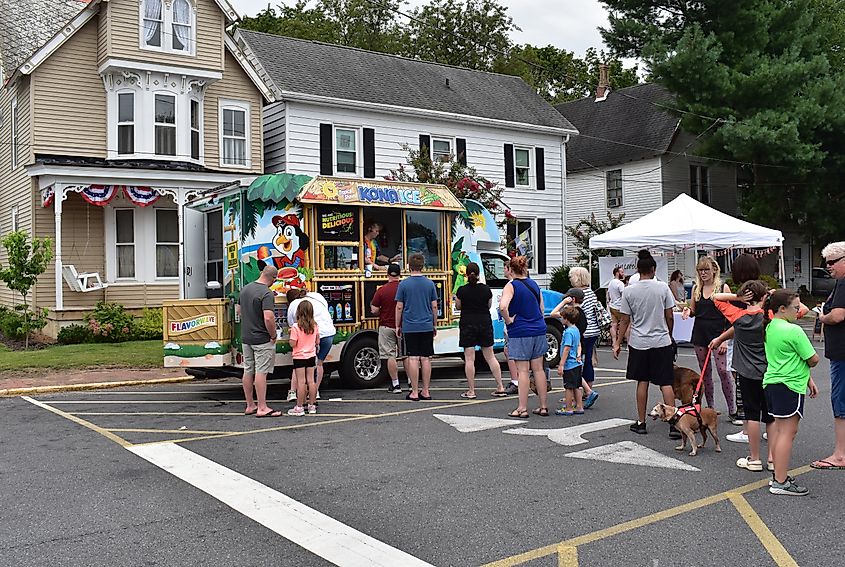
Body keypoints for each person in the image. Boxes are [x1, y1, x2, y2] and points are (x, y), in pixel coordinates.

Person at [613, 249, 679, 436]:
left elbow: (624, 320)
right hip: (661, 340)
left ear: (637, 269)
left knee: (643, 381)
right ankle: (674, 423)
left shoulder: (629, 291)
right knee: (665, 382)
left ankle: (641, 422)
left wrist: (618, 342)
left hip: (639, 342)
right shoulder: (663, 288)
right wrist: (670, 334)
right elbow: (669, 316)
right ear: (654, 269)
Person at [710, 280, 773, 472]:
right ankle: (772, 458)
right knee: (771, 417)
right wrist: (770, 296)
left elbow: (715, 298)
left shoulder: (738, 316)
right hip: (769, 371)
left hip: (746, 372)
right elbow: (801, 309)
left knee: (752, 415)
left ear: (746, 297)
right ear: (763, 297)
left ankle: (754, 459)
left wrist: (738, 297)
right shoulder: (769, 316)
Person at [763, 289, 819, 495]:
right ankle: (780, 481)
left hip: (773, 383)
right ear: (782, 309)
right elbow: (813, 359)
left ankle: (778, 476)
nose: (798, 311)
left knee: (780, 431)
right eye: (796, 307)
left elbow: (788, 358)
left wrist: (808, 380)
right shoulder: (793, 330)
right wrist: (807, 376)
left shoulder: (770, 327)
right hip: (789, 385)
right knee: (788, 433)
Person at [682, 256, 736, 420]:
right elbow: (693, 310)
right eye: (700, 270)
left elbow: (730, 315)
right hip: (700, 332)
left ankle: (732, 408)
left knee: (723, 371)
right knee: (705, 373)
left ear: (714, 270)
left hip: (718, 332)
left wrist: (725, 339)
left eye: (706, 269)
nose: (703, 273)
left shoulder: (722, 288)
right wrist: (687, 312)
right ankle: (710, 407)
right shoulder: (697, 288)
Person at [498, 255, 548, 418]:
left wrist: (509, 320)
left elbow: (503, 306)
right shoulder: (534, 285)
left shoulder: (511, 286)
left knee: (523, 371)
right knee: (539, 369)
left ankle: (522, 407)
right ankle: (543, 406)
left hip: (520, 331)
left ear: (511, 270)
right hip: (538, 329)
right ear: (525, 268)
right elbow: (541, 308)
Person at [812, 241, 845, 470]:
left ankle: (840, 455)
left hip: (842, 354)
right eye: (827, 263)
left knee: (840, 402)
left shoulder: (843, 284)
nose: (828, 267)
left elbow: (838, 315)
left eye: (832, 262)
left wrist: (823, 316)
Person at [456, 262, 507, 398]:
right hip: (484, 322)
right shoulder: (486, 289)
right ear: (479, 274)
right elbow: (489, 305)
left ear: (466, 274)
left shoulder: (462, 290)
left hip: (467, 323)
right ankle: (500, 386)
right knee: (490, 357)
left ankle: (471, 391)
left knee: (469, 359)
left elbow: (458, 306)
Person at [238, 265, 281, 418]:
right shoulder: (266, 293)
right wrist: (273, 334)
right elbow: (268, 317)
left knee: (248, 370)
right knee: (261, 372)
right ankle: (262, 407)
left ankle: (250, 405)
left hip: (246, 337)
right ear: (273, 279)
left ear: (262, 273)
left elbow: (239, 311)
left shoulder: (245, 289)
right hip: (261, 338)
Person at [396, 253, 438, 401]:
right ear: (422, 266)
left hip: (410, 325)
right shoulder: (429, 284)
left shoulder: (403, 284)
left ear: (408, 266)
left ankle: (414, 391)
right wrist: (434, 323)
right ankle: (426, 391)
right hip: (426, 324)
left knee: (413, 358)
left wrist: (397, 325)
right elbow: (434, 306)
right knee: (426, 358)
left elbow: (399, 307)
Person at [286, 288, 336, 402]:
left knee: (298, 367)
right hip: (328, 332)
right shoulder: (316, 296)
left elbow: (292, 324)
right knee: (319, 364)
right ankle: (315, 392)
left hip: (307, 340)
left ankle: (293, 393)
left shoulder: (294, 304)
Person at [551, 288, 598, 408]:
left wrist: (563, 303)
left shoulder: (571, 314)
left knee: (572, 375)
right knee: (576, 373)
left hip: (571, 347)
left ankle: (583, 394)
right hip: (578, 344)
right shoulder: (580, 314)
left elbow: (553, 313)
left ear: (573, 299)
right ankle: (583, 396)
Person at [567, 267, 601, 408]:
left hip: (583, 332)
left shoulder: (579, 295)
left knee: (576, 362)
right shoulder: (591, 293)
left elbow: (575, 312)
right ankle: (589, 388)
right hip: (593, 331)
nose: (570, 279)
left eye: (571, 276)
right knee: (587, 362)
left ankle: (580, 393)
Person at [370, 263, 403, 393]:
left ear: (388, 274)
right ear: (400, 274)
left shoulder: (382, 290)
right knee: (407, 355)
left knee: (390, 356)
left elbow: (374, 310)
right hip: (403, 326)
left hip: (386, 326)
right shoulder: (404, 288)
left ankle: (395, 384)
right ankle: (412, 383)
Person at [287, 300, 320, 416]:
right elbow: (317, 341)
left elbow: (293, 343)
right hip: (311, 355)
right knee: (311, 381)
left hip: (299, 357)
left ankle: (299, 407)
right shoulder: (314, 326)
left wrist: (289, 337)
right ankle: (312, 405)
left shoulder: (296, 327)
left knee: (301, 382)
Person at [555, 306, 583, 415]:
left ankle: (568, 408)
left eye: (562, 317)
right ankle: (579, 406)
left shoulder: (568, 333)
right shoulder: (576, 330)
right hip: (576, 363)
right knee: (577, 386)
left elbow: (566, 348)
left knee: (568, 387)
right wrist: (578, 354)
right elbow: (579, 344)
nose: (561, 319)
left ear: (566, 319)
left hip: (569, 364)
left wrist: (561, 364)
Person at [608, 266, 626, 346]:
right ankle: (622, 342)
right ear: (617, 273)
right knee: (625, 323)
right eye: (622, 272)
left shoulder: (611, 282)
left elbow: (608, 294)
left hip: (612, 306)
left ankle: (614, 342)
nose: (623, 274)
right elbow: (624, 295)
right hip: (619, 306)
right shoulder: (620, 283)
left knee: (614, 324)